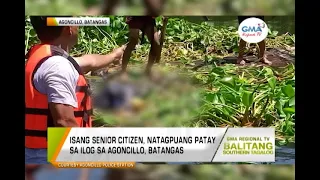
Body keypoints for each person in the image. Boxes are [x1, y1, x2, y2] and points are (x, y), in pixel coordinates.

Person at [25, 16, 125, 178]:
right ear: (68, 28)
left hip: (38, 152)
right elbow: (64, 121)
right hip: (49, 157)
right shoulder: (58, 66)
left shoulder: (46, 56)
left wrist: (114, 55)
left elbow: (89, 61)